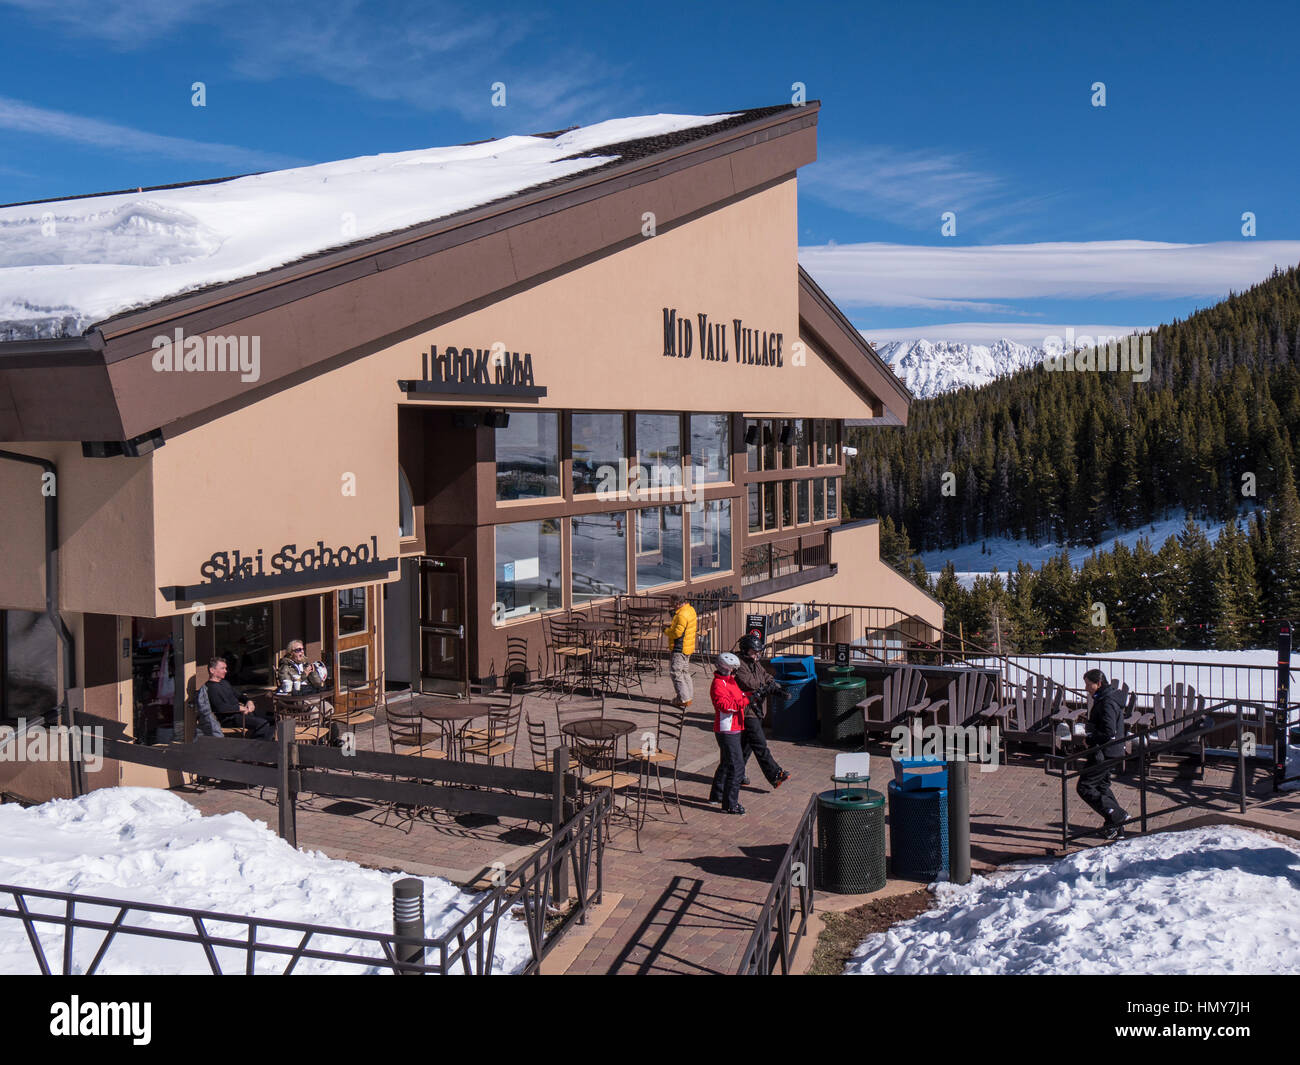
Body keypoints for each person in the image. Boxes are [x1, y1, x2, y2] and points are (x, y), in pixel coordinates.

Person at [732, 635, 790, 790]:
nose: (757, 654)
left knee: (746, 746)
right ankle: (775, 774)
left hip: (757, 710)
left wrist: (774, 685)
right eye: (754, 651)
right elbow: (749, 683)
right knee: (759, 744)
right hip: (747, 710)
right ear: (745, 650)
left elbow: (765, 676)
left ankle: (736, 774)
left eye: (758, 651)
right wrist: (766, 686)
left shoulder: (755, 663)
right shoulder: (739, 665)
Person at [1078, 669, 1129, 839]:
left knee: (1085, 787)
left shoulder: (1107, 701)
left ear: (1098, 684)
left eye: (1088, 684)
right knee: (1101, 787)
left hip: (1104, 752)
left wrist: (1091, 740)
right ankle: (1117, 828)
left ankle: (1118, 815)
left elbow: (1109, 732)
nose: (1086, 688)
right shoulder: (1106, 698)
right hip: (1111, 751)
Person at [707, 652, 748, 814]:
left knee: (726, 763)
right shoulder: (718, 684)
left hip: (735, 727)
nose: (733, 672)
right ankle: (730, 804)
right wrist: (744, 702)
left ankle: (716, 795)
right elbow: (726, 705)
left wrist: (746, 698)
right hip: (727, 728)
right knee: (737, 767)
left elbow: (741, 696)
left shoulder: (730, 681)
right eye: (732, 669)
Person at [199, 656, 275, 741]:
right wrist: (240, 708)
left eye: (226, 668)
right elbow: (220, 707)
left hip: (242, 713)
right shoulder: (210, 688)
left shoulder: (225, 683)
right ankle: (254, 747)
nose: (226, 671)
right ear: (212, 670)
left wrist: (249, 701)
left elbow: (239, 695)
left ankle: (265, 743)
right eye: (222, 668)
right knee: (263, 724)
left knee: (274, 718)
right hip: (229, 718)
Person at [663, 593, 697, 709]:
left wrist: (666, 631)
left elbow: (678, 633)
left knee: (676, 673)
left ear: (677, 603)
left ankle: (683, 698)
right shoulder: (690, 610)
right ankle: (688, 696)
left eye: (672, 604)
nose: (671, 606)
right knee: (684, 672)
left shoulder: (681, 615)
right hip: (687, 647)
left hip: (679, 648)